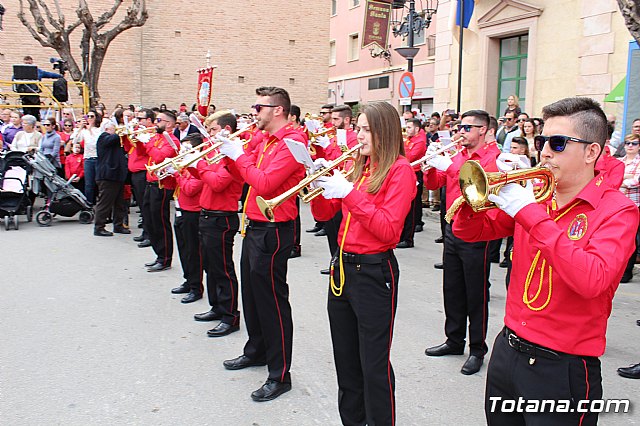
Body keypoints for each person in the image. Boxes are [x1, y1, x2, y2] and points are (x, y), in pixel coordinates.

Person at [452, 97, 638, 425]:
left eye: (558, 143)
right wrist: (474, 199)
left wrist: (530, 214)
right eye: (542, 141)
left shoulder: (618, 210)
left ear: (591, 152)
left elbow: (592, 279)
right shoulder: (538, 196)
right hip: (508, 351)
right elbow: (472, 233)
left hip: (561, 368)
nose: (545, 152)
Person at [308, 101, 416, 425]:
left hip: (372, 272)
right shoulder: (359, 166)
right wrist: (320, 190)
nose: (358, 135)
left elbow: (387, 229)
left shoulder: (400, 171)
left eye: (366, 129)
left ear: (384, 131)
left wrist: (348, 194)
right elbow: (326, 218)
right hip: (342, 267)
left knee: (374, 366)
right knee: (346, 362)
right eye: (357, 128)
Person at [217, 86, 305, 402]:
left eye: (259, 106)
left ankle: (280, 374)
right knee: (252, 296)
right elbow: (244, 175)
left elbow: (265, 183)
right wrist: (229, 154)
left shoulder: (292, 142)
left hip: (274, 229)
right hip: (254, 226)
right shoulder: (267, 140)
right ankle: (256, 350)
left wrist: (239, 156)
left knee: (272, 302)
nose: (254, 112)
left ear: (277, 110)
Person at [424, 110, 500, 376]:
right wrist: (432, 162)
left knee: (475, 293)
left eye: (467, 128)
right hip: (452, 227)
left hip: (478, 231)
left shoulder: (493, 158)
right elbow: (435, 183)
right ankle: (454, 340)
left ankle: (478, 348)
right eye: (460, 127)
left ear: (484, 130)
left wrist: (450, 165)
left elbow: (483, 186)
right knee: (452, 288)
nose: (461, 132)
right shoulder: (458, 155)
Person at [190, 112, 244, 337]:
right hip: (207, 214)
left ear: (226, 131)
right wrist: (191, 162)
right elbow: (204, 177)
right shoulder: (213, 152)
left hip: (221, 217)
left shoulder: (230, 155)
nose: (209, 134)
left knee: (223, 268)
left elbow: (218, 182)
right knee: (210, 266)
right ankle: (217, 306)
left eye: (212, 130)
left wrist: (201, 165)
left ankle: (230, 316)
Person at [142, 110, 181, 272]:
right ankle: (158, 253)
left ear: (169, 124)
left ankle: (165, 258)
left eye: (159, 120)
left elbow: (158, 157)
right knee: (150, 220)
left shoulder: (172, 141)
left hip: (162, 185)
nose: (156, 122)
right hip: (151, 182)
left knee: (160, 222)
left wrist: (147, 143)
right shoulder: (158, 137)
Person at [170, 133, 204, 303]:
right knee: (183, 248)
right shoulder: (184, 166)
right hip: (180, 209)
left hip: (193, 212)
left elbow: (191, 189)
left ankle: (196, 287)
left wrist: (177, 174)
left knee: (193, 251)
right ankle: (188, 280)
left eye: (187, 149)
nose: (183, 152)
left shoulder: (198, 167)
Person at [93, 122, 129, 236]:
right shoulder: (103, 137)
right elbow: (112, 139)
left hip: (117, 175)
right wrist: (123, 131)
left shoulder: (116, 141)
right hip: (107, 176)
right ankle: (99, 227)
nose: (116, 130)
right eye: (115, 128)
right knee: (105, 203)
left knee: (120, 203)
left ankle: (118, 225)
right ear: (107, 128)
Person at [398, 118, 427, 248]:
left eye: (409, 127)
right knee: (404, 207)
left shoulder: (420, 141)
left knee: (412, 208)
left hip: (415, 174)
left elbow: (409, 157)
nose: (406, 130)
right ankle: (402, 235)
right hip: (407, 173)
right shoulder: (408, 140)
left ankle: (408, 239)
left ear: (416, 129)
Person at [618, 134, 640, 283]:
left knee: (632, 239)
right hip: (619, 205)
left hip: (635, 205)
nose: (630, 146)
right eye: (627, 143)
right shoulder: (620, 161)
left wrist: (622, 179)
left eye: (634, 143)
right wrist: (624, 178)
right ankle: (619, 271)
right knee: (620, 238)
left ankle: (627, 272)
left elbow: (635, 182)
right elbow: (611, 179)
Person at [75, 110, 103, 204]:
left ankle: (100, 203)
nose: (89, 119)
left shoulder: (99, 130)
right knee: (89, 184)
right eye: (88, 116)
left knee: (99, 183)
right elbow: (75, 139)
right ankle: (89, 204)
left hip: (98, 158)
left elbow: (96, 142)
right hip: (88, 158)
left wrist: (90, 129)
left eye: (92, 116)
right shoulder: (84, 131)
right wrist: (80, 128)